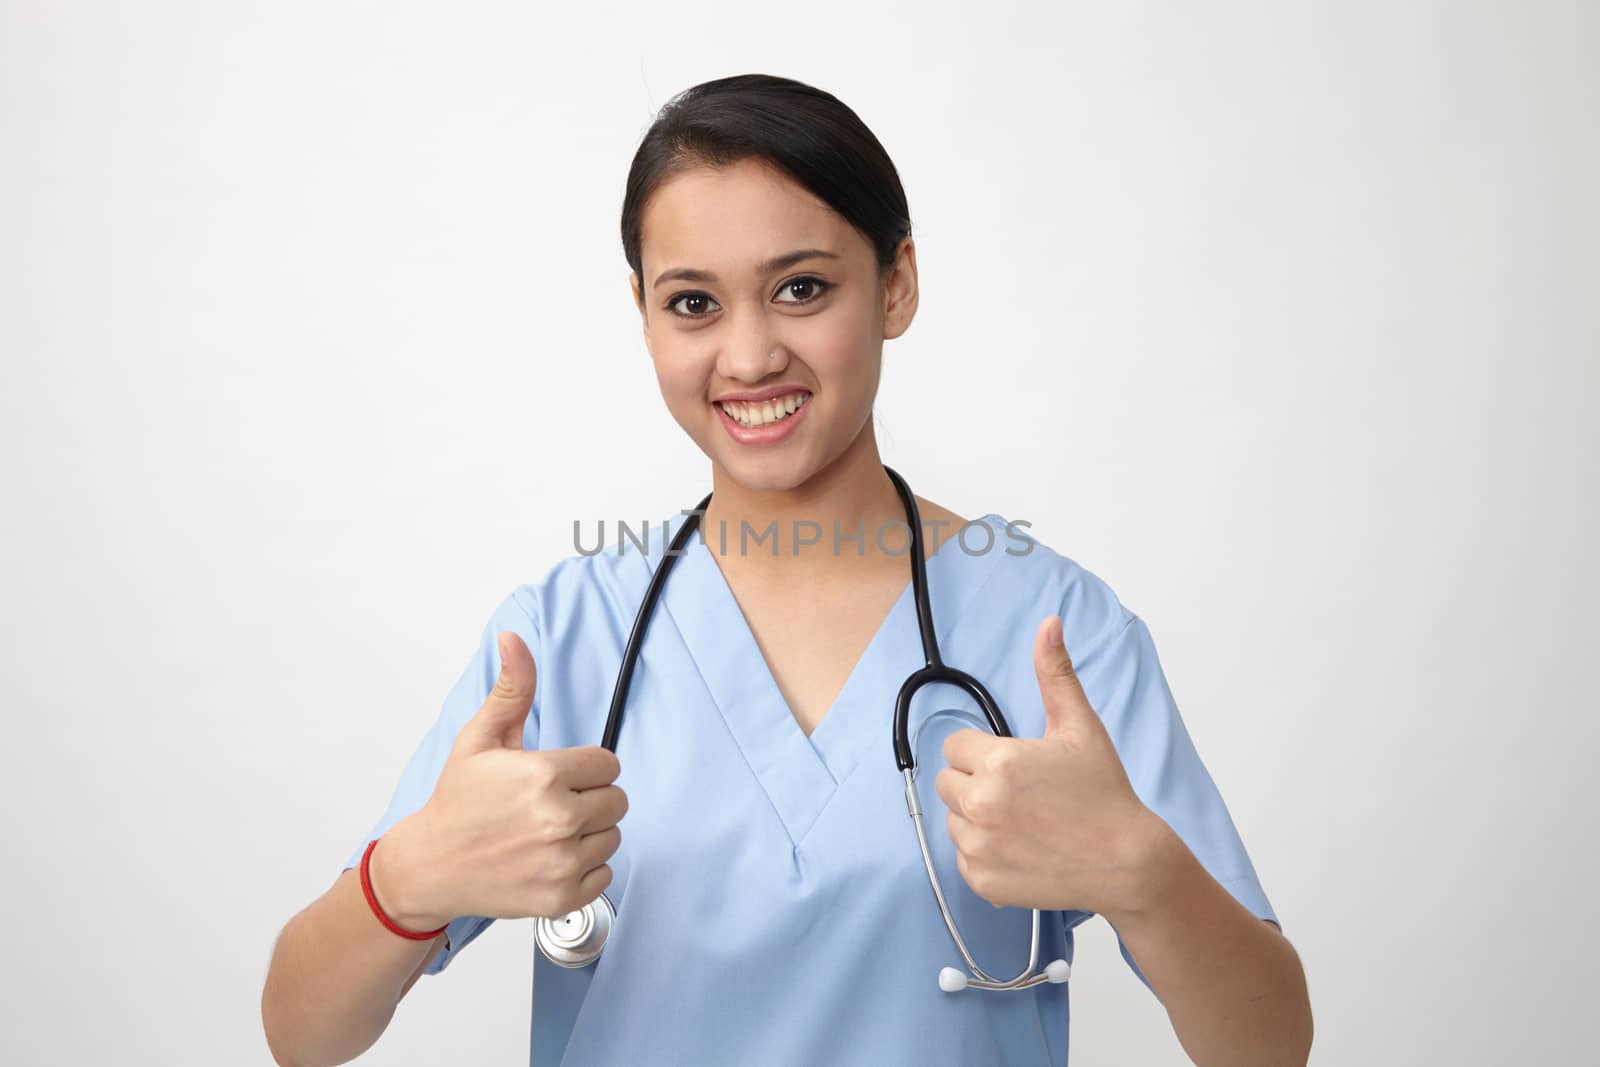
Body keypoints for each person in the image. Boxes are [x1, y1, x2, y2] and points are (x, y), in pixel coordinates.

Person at [261, 73, 1312, 1066]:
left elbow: (1270, 1044)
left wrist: (1143, 873)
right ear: (643, 313)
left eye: (801, 288)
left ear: (895, 285)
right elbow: (302, 1031)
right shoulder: (564, 636)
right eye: (692, 303)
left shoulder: (1051, 631)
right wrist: (408, 877)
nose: (751, 354)